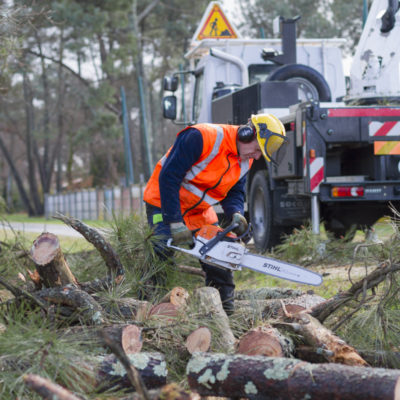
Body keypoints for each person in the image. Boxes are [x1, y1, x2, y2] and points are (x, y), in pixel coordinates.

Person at [143, 113, 286, 313]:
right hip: (163, 204)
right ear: (247, 134)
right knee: (161, 247)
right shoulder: (201, 137)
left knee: (222, 254)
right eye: (256, 149)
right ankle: (152, 307)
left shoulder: (245, 160)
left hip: (199, 211)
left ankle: (222, 313)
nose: (256, 156)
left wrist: (236, 213)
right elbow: (169, 176)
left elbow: (235, 192)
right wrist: (174, 221)